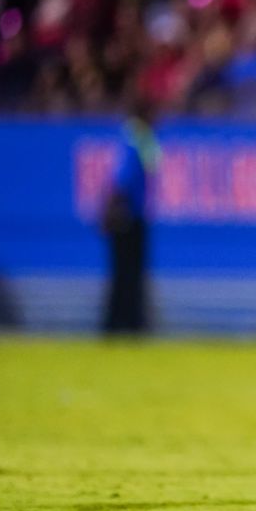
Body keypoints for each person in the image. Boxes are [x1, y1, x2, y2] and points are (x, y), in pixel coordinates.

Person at [102, 99, 160, 334]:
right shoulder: (137, 138)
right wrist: (115, 208)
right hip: (129, 216)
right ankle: (125, 323)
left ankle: (122, 321)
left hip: (129, 213)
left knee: (124, 273)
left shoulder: (133, 138)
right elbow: (123, 179)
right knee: (128, 274)